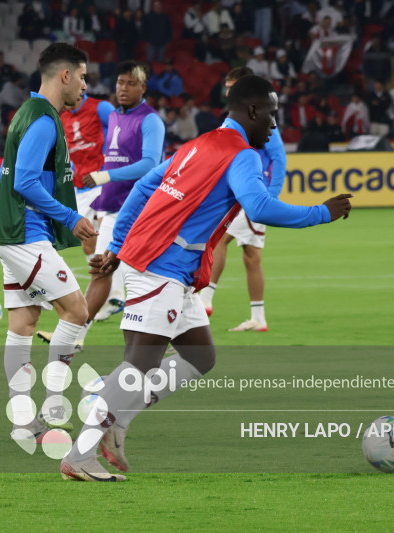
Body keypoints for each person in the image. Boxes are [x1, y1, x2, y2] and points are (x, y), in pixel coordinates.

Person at [60, 75, 352, 481]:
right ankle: (80, 453)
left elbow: (145, 187)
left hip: (170, 266)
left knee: (200, 357)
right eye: (270, 113)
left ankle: (118, 420)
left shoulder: (198, 145)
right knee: (139, 365)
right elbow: (259, 207)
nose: (274, 124)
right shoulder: (242, 154)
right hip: (161, 266)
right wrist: (322, 212)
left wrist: (118, 248)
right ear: (251, 110)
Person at [0, 43, 96, 441]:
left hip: (13, 234)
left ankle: (23, 421)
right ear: (64, 75)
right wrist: (71, 217)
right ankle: (55, 404)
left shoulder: (30, 113)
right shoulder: (43, 120)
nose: (85, 88)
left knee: (24, 322)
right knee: (77, 311)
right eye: (83, 77)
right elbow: (24, 181)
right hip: (25, 235)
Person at [38, 61, 165, 348]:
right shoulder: (117, 116)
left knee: (157, 273)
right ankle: (74, 336)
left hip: (143, 207)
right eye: (120, 83)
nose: (123, 88)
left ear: (143, 88)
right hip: (113, 205)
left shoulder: (150, 120)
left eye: (131, 83)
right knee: (101, 268)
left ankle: (174, 330)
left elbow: (150, 164)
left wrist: (105, 175)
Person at [199, 67, 287, 332]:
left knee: (218, 237)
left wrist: (270, 196)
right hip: (240, 191)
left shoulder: (258, 117)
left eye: (232, 86)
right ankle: (258, 318)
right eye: (226, 87)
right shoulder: (236, 118)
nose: (227, 92)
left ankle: (204, 300)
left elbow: (279, 157)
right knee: (251, 256)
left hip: (251, 193)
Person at [59, 93, 115, 263]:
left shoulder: (101, 108)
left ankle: (115, 288)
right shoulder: (62, 119)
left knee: (107, 231)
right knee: (88, 247)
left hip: (103, 179)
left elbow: (121, 129)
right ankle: (100, 281)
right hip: (82, 186)